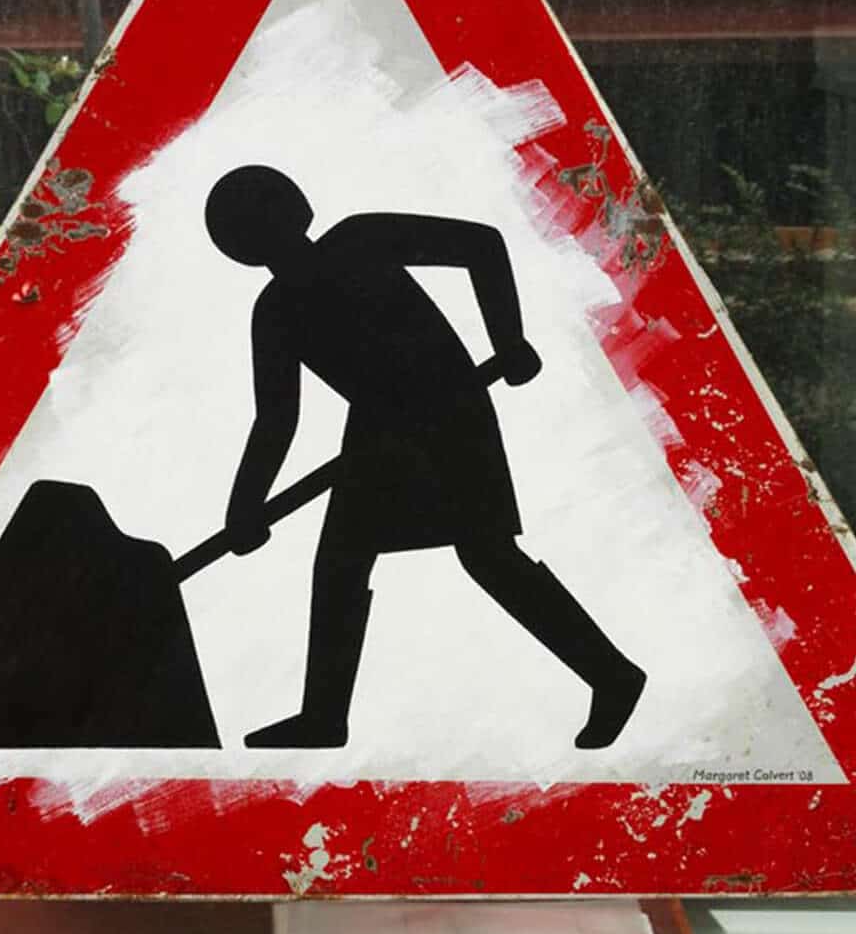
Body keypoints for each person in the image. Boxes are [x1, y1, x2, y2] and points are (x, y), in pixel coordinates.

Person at [205, 163, 646, 750]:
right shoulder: (275, 312)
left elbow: (480, 246)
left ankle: (612, 676)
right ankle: (323, 716)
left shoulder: (360, 239)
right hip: (377, 432)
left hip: (448, 408)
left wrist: (507, 339)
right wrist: (244, 505)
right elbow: (277, 419)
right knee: (342, 563)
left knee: (487, 555)